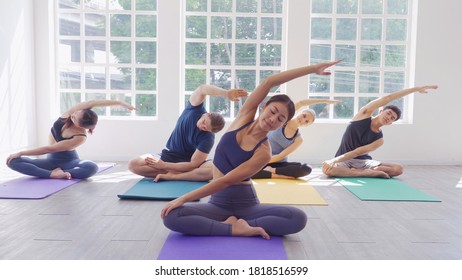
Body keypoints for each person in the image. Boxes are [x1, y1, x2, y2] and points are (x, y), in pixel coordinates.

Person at [161, 60, 340, 239]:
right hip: (218, 203)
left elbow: (225, 181)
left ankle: (236, 227)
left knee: (297, 218)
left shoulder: (263, 152)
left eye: (280, 119)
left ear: (282, 124)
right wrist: (312, 69)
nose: (273, 119)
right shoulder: (244, 117)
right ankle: (234, 228)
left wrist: (184, 197)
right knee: (172, 216)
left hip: (247, 206)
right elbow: (269, 82)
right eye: (273, 111)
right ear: (263, 107)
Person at [128, 85, 248, 181]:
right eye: (204, 122)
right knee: (134, 164)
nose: (202, 127)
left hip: (187, 163)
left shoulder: (208, 138)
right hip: (167, 155)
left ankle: (174, 176)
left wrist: (164, 166)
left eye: (206, 128)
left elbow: (192, 164)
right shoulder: (195, 108)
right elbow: (202, 89)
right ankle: (185, 175)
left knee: (213, 170)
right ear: (208, 113)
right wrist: (225, 93)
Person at [322, 85, 438, 179]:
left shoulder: (379, 140)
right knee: (328, 170)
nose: (389, 117)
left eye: (392, 118)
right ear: (381, 110)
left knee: (398, 169)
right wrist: (416, 89)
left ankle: (358, 171)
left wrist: (333, 161)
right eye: (388, 113)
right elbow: (387, 98)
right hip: (343, 159)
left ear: (391, 123)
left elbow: (357, 152)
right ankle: (364, 173)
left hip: (363, 162)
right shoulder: (363, 115)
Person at [6, 100, 136, 179]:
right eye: (75, 113)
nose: (72, 114)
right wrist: (120, 103)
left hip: (69, 162)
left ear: (81, 126)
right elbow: (93, 103)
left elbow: (49, 148)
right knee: (12, 161)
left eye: (74, 117)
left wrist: (22, 151)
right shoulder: (73, 112)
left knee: (91, 167)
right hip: (50, 161)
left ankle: (59, 173)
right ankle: (53, 174)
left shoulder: (80, 137)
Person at [251, 98, 340, 179]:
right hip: (261, 157)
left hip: (278, 163)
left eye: (306, 122)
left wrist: (265, 164)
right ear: (300, 112)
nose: (303, 120)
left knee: (306, 169)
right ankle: (277, 175)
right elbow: (301, 102)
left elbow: (280, 156)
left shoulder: (298, 139)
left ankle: (271, 171)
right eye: (304, 116)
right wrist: (324, 101)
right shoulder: (284, 119)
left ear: (307, 126)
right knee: (245, 171)